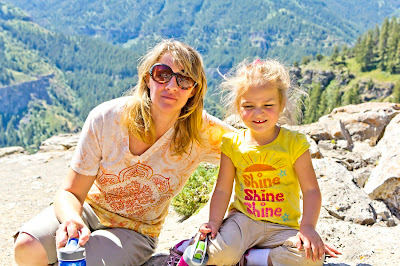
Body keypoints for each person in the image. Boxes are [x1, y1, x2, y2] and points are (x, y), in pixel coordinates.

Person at [13, 39, 233, 266]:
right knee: (26, 246)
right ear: (148, 79)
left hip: (136, 231)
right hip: (88, 210)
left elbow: (252, 147)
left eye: (184, 79)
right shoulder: (107, 118)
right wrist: (71, 219)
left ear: (194, 91)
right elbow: (70, 192)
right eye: (162, 74)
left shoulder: (203, 132)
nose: (172, 86)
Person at [170, 58, 340, 266]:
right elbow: (223, 189)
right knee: (217, 255)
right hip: (243, 221)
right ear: (238, 107)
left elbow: (311, 190)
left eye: (268, 105)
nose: (258, 113)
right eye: (248, 106)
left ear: (282, 105)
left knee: (312, 259)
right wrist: (214, 222)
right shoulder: (232, 143)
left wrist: (307, 228)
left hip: (282, 226)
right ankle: (198, 245)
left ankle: (250, 258)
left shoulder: (295, 143)